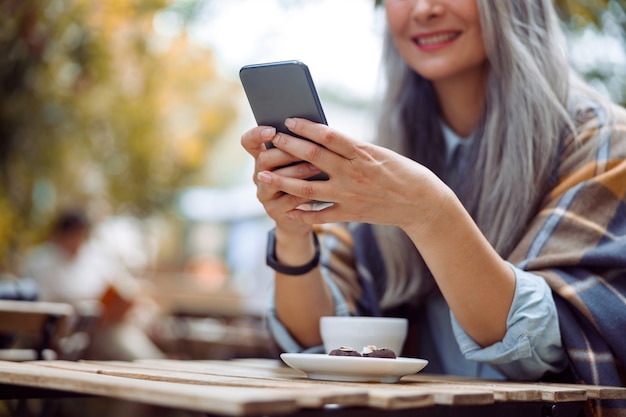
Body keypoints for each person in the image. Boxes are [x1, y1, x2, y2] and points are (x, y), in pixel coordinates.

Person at [241, 0, 626, 415]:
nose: (424, 9)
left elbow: (540, 342)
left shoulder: (602, 142)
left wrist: (429, 212)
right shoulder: (383, 153)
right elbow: (318, 338)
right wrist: (292, 228)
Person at [21, 209, 165, 361]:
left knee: (144, 326)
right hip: (70, 333)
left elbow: (125, 289)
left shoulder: (96, 257)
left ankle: (160, 362)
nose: (77, 239)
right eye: (73, 233)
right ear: (61, 234)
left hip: (107, 326)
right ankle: (158, 365)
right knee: (132, 351)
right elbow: (43, 304)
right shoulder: (42, 262)